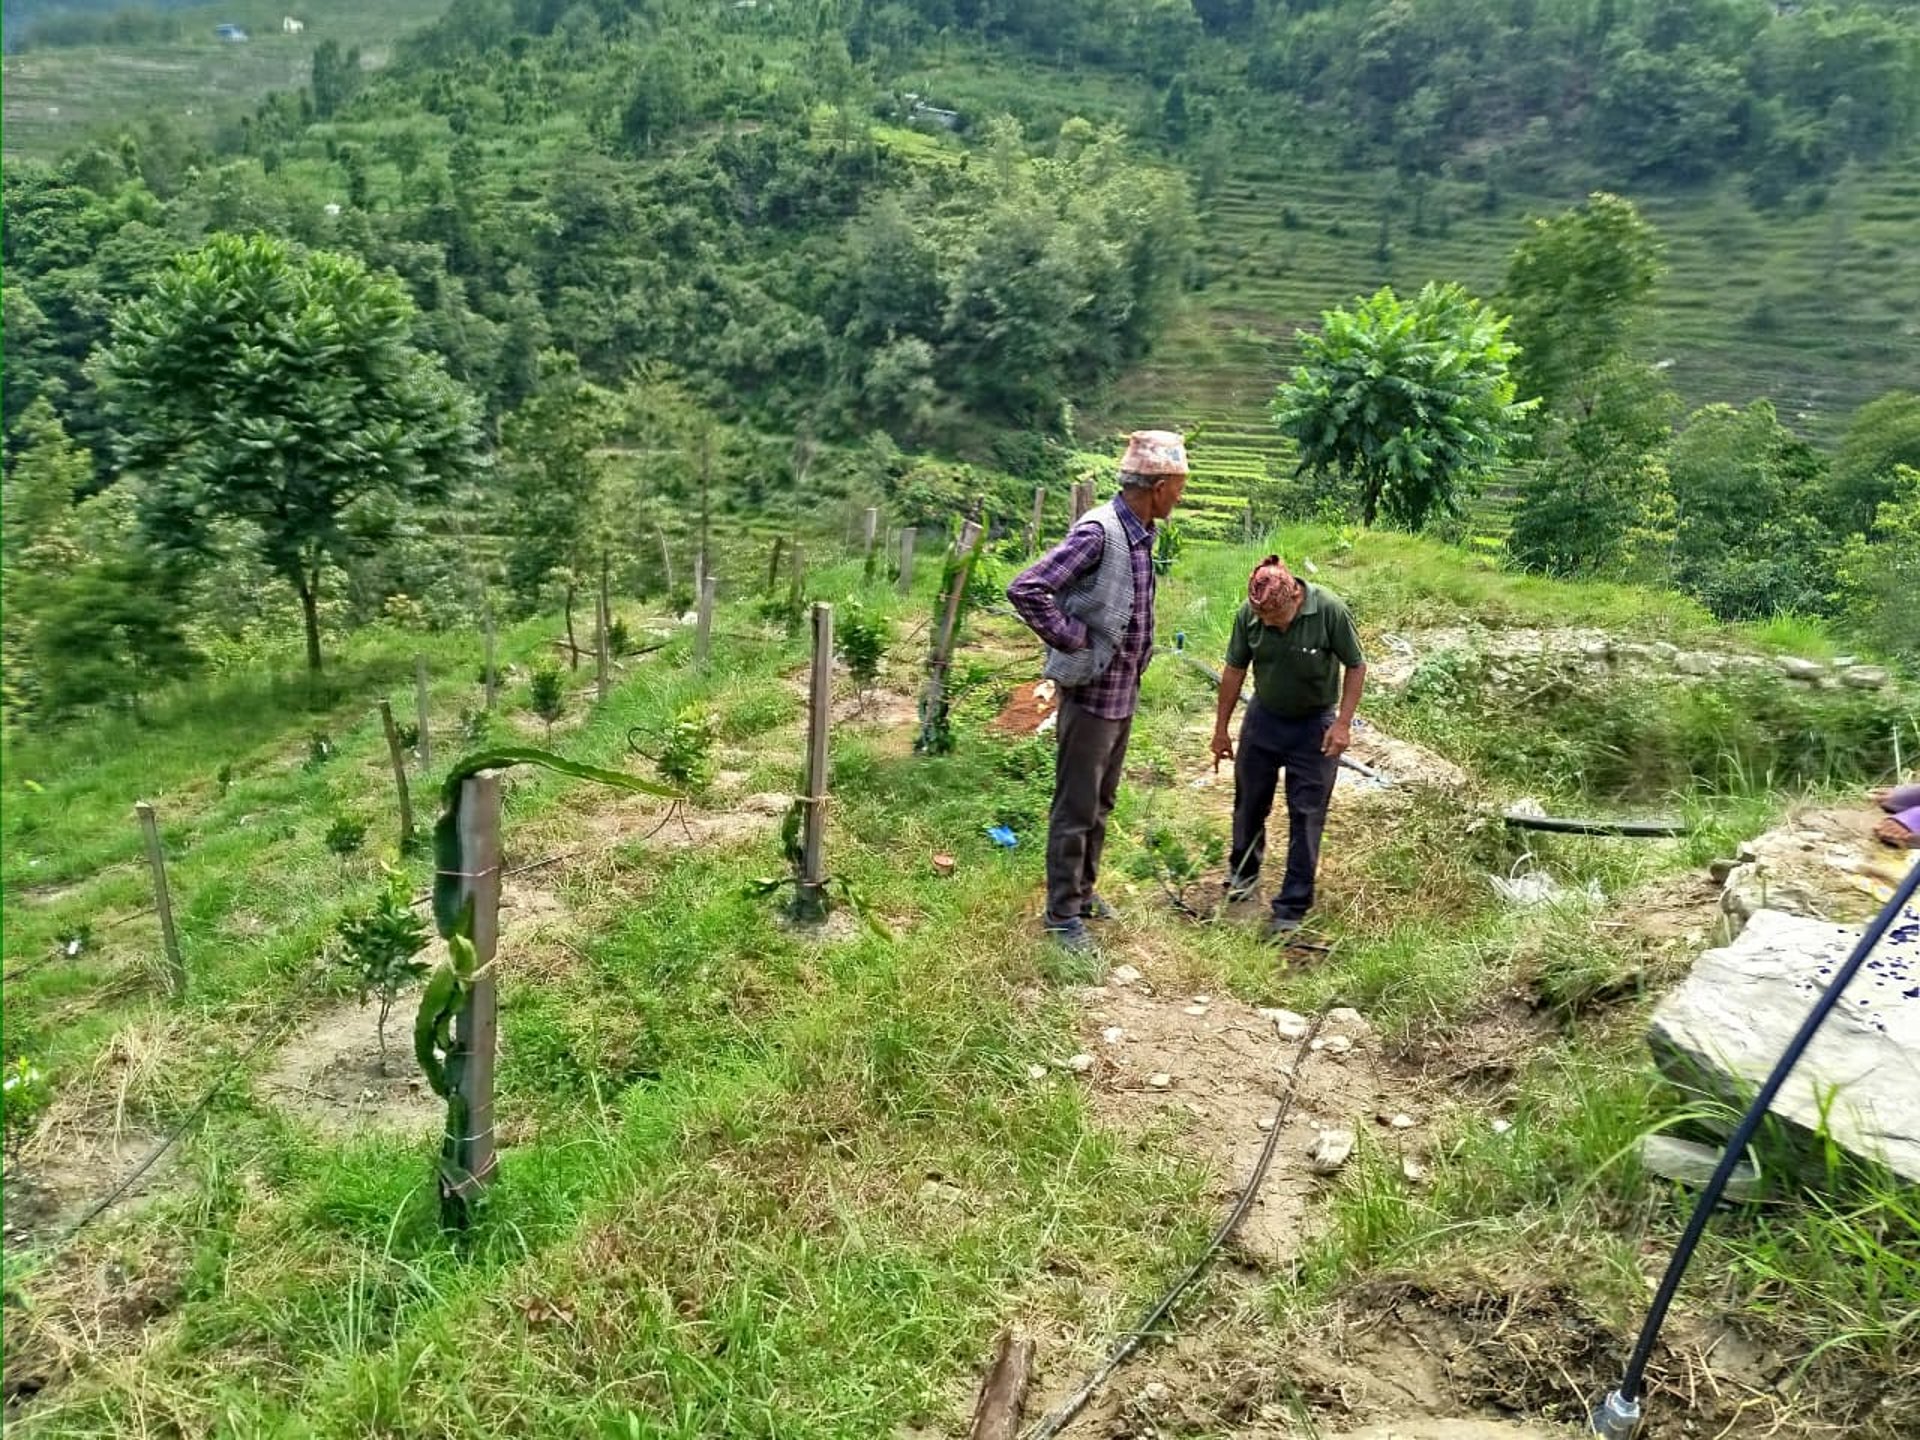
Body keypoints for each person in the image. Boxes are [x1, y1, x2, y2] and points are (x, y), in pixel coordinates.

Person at [1007, 431, 1189, 950]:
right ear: (1155, 486)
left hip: (1121, 694)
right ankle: (1062, 915)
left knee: (1101, 801)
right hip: (1091, 693)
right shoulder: (1101, 532)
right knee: (1076, 806)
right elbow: (1027, 587)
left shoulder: (1141, 534)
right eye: (1178, 486)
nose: (1181, 496)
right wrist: (1074, 641)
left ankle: (1083, 893)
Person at [1210, 554, 1366, 942]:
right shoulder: (1250, 614)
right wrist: (1221, 729)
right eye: (1261, 618)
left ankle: (1291, 908)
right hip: (1264, 717)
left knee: (1306, 814)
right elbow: (1234, 670)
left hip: (1314, 725)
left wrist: (1343, 724)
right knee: (1249, 802)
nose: (1267, 623)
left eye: (1274, 618)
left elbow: (1356, 666)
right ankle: (1243, 874)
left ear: (1295, 597)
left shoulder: (1329, 610)